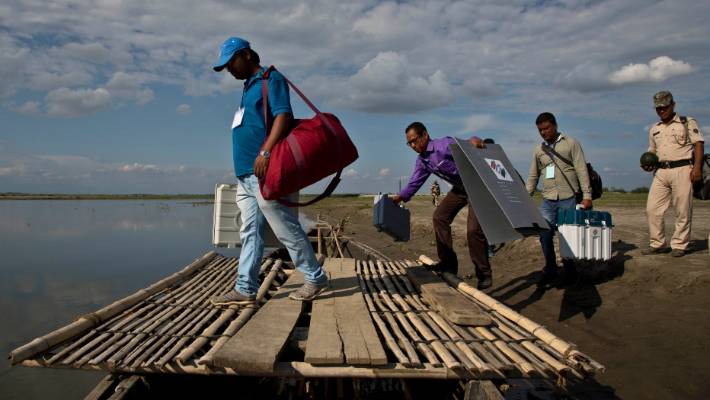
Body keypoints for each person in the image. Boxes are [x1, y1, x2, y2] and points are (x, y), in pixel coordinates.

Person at [209, 37, 328, 305]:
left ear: (247, 55)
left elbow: (283, 115)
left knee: (285, 227)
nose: (229, 69)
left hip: (265, 170)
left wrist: (265, 152)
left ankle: (315, 277)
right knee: (249, 231)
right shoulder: (248, 87)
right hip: (245, 174)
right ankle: (245, 288)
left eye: (231, 63)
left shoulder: (270, 79)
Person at [392, 122, 493, 289]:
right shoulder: (423, 160)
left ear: (425, 135)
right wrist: (398, 198)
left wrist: (474, 140)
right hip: (460, 189)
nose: (412, 145)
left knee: (473, 230)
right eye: (409, 143)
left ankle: (484, 274)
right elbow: (414, 183)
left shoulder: (442, 145)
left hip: (476, 186)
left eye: (414, 140)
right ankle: (448, 265)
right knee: (439, 217)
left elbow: (465, 144)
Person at [526, 112, 592, 285]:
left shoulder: (571, 143)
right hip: (547, 200)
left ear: (555, 125)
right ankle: (550, 268)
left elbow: (581, 170)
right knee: (545, 234)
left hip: (567, 198)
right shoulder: (538, 150)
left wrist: (587, 196)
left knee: (566, 237)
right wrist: (526, 197)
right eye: (540, 130)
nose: (543, 132)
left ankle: (570, 272)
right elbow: (533, 176)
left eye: (546, 128)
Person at [641, 91, 705, 257]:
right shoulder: (655, 128)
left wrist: (697, 168)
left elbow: (698, 144)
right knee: (652, 209)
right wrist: (647, 164)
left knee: (682, 209)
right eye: (658, 108)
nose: (661, 110)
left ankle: (680, 245)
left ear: (672, 105)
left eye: (664, 107)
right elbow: (652, 151)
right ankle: (657, 243)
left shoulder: (687, 122)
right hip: (661, 171)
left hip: (683, 169)